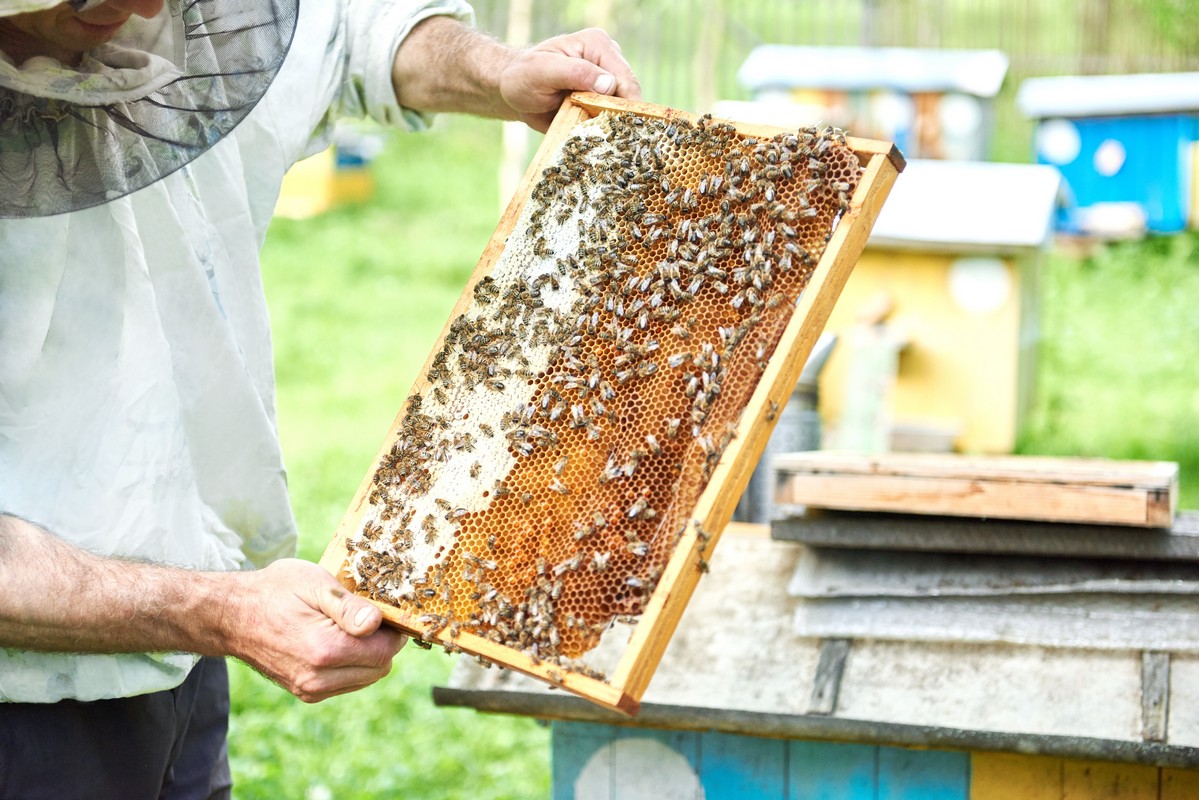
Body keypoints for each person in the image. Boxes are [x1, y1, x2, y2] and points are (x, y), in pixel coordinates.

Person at [0, 0, 640, 796]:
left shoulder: (195, 19)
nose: (142, 8)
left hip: (185, 655)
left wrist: (498, 72)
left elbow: (347, 36)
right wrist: (217, 610)